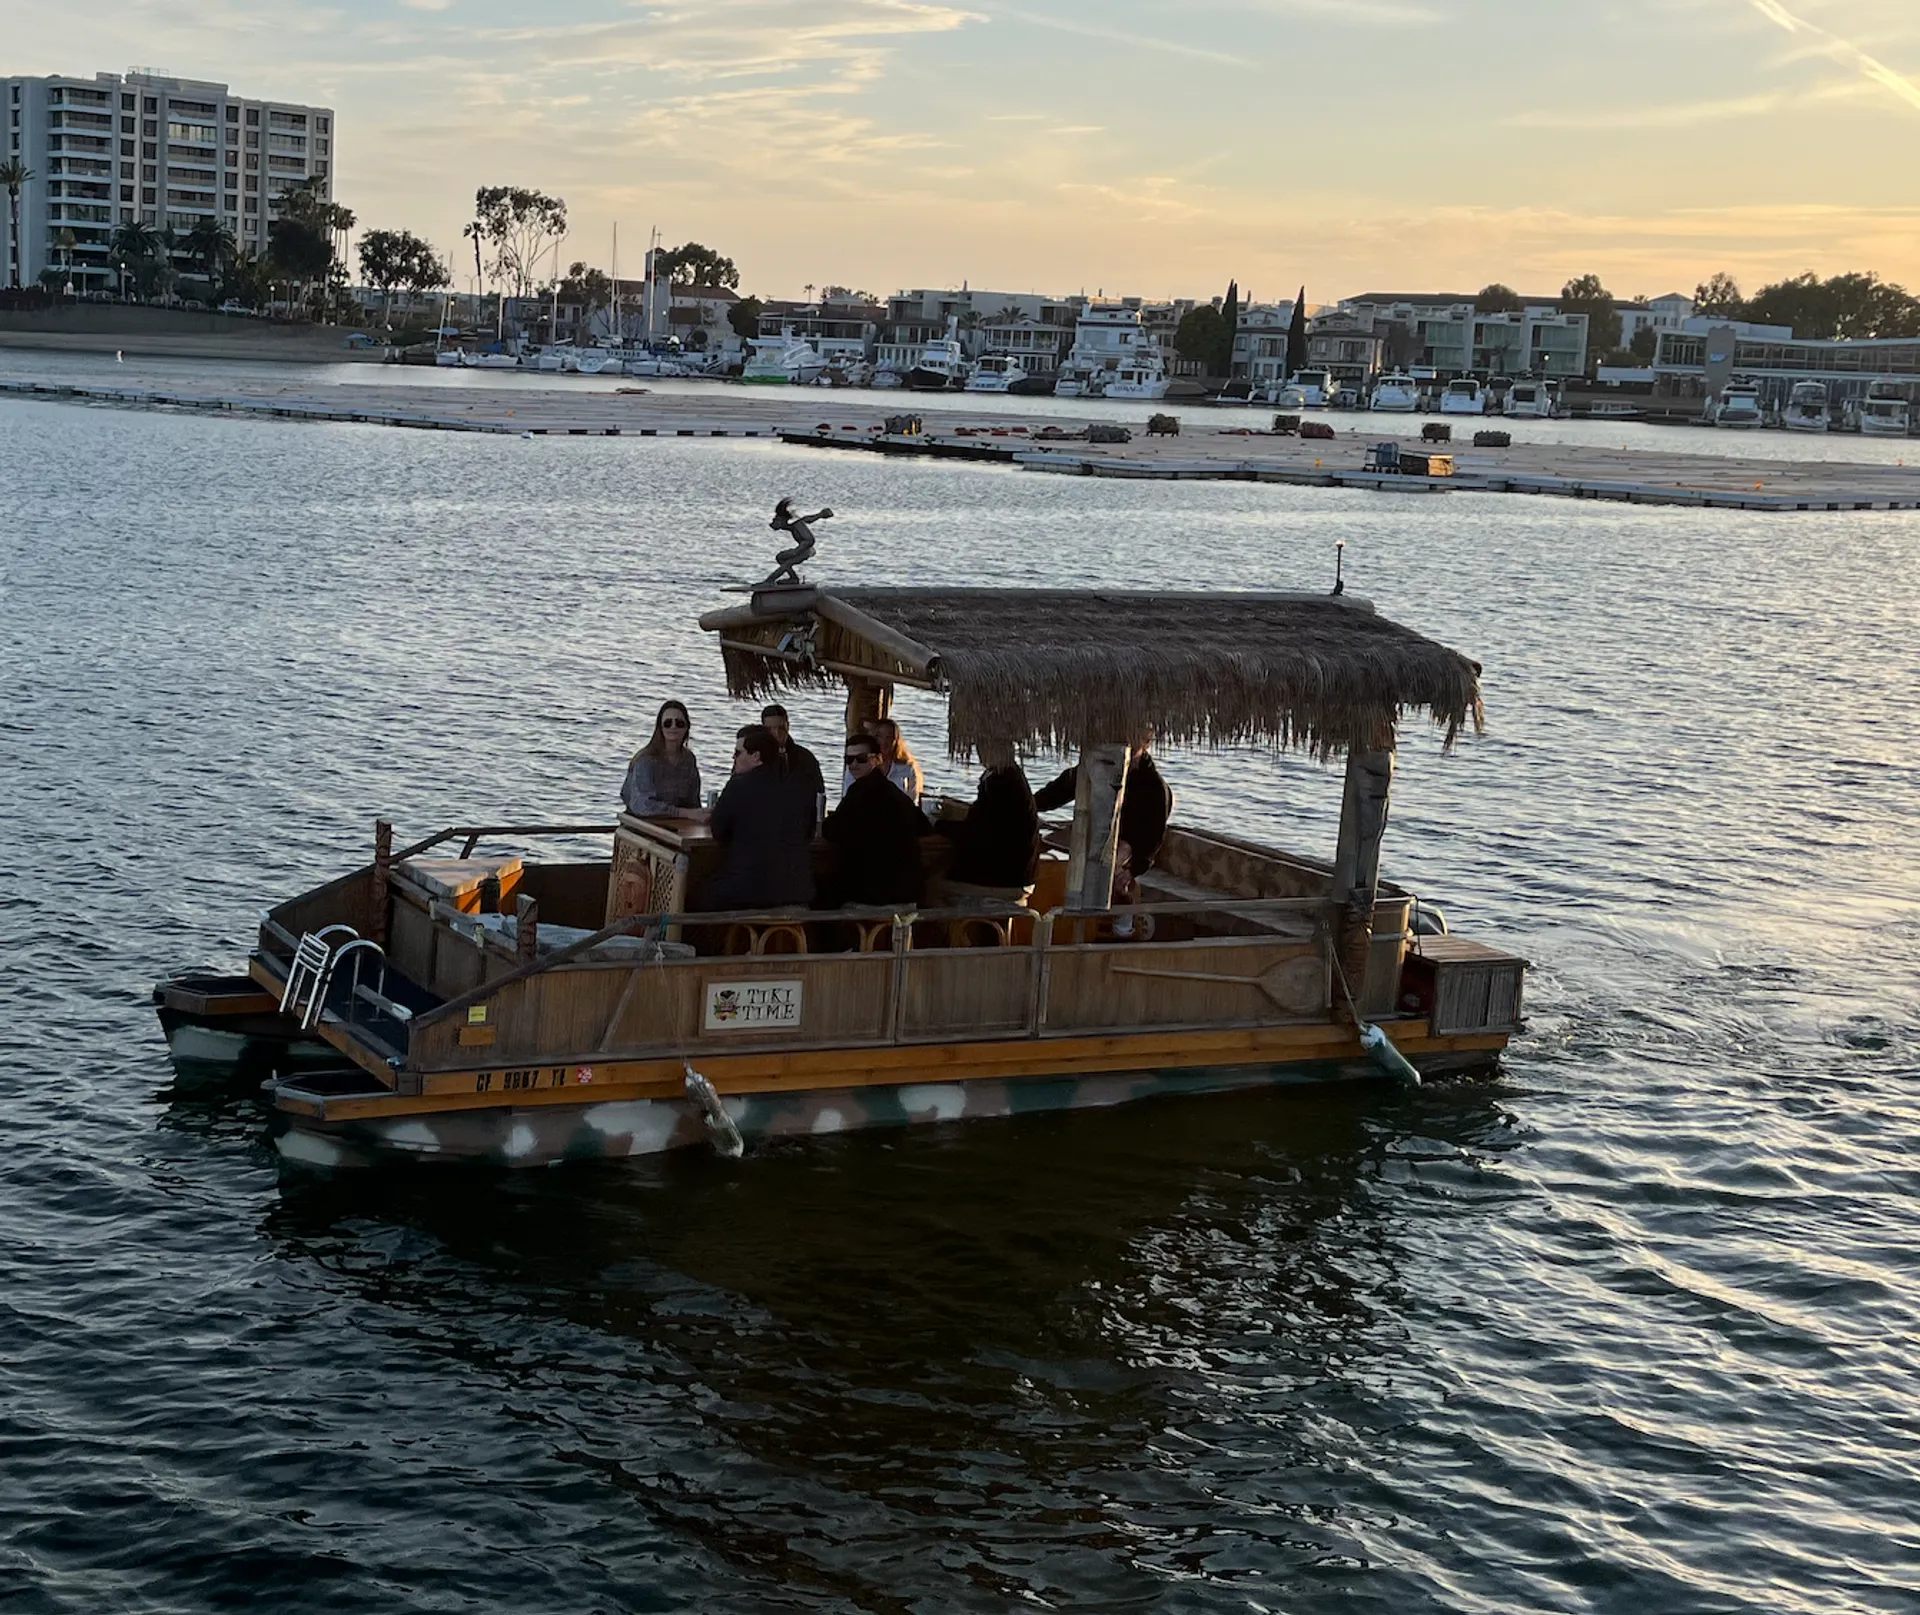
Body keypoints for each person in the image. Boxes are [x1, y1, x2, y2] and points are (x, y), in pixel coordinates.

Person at [1033, 739, 1174, 924]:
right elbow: (1058, 791)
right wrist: (1029, 805)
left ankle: (1124, 920)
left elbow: (1153, 837)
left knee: (1109, 869)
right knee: (1038, 845)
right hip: (1091, 831)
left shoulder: (1154, 786)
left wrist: (1133, 869)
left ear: (1145, 744)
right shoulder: (1099, 768)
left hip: (1130, 843)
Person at [709, 725, 815, 911]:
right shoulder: (800, 787)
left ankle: (713, 941)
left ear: (756, 757)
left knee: (699, 898)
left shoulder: (738, 786)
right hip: (797, 892)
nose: (733, 758)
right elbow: (809, 832)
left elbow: (719, 831)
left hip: (749, 892)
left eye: (738, 753)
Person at [825, 731, 933, 906]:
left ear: (877, 759)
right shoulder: (894, 793)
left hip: (872, 890)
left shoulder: (859, 793)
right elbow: (924, 826)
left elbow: (831, 831)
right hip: (906, 889)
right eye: (848, 760)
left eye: (861, 759)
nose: (853, 764)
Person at [935, 748, 1038, 901]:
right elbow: (987, 820)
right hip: (1020, 873)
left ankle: (955, 923)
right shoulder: (1010, 775)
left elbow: (978, 833)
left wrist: (938, 825)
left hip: (1005, 877)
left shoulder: (1000, 781)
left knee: (930, 885)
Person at [621, 700, 704, 819]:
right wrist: (682, 813)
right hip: (640, 824)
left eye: (679, 723)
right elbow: (643, 805)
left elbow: (693, 802)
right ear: (660, 728)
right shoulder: (645, 760)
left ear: (687, 728)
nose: (673, 727)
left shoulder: (688, 760)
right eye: (668, 723)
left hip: (675, 825)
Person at [842, 715, 926, 804]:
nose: (884, 741)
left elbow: (911, 802)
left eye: (889, 737)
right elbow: (848, 797)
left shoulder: (907, 769)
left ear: (896, 741)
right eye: (879, 736)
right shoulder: (858, 764)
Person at [761, 703, 825, 808]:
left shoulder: (805, 758)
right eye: (770, 729)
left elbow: (818, 794)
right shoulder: (754, 756)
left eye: (781, 728)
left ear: (788, 726)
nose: (776, 734)